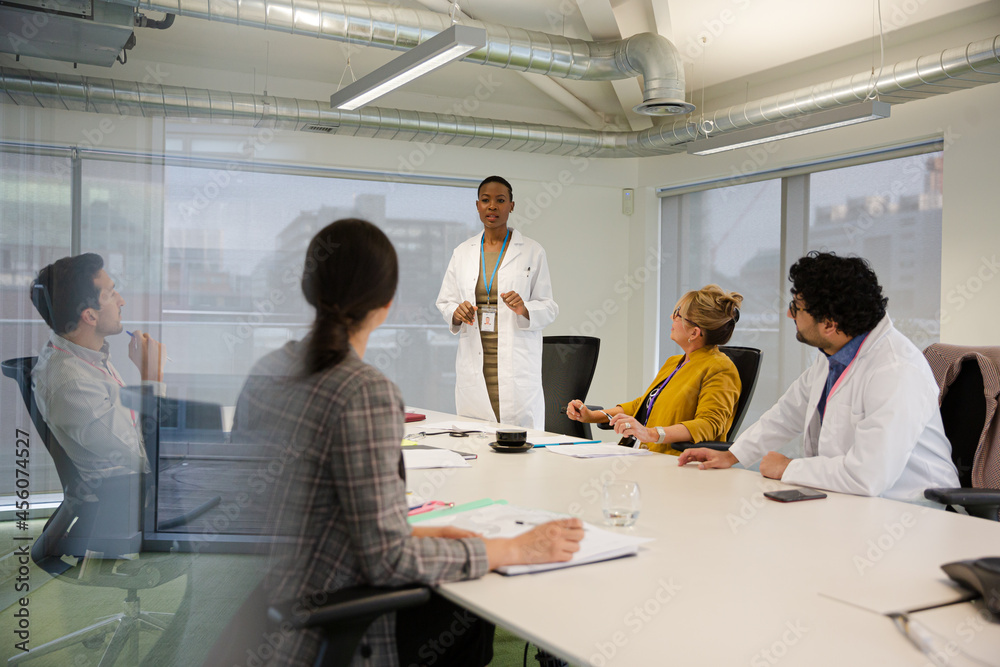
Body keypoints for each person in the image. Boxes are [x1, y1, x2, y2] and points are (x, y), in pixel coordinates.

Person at [234, 219, 583, 667]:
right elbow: (387, 561)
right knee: (468, 603)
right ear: (387, 304)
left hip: (267, 599)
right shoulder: (364, 390)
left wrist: (419, 530)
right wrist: (515, 549)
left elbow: (310, 510)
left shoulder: (267, 369)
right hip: (330, 615)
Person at [678, 252, 960, 502]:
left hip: (911, 508)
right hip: (850, 500)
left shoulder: (896, 371)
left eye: (797, 308)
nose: (790, 315)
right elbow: (787, 414)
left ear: (828, 323)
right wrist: (732, 455)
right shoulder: (834, 354)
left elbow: (868, 476)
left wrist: (788, 467)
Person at [30, 253, 166, 485]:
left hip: (139, 483)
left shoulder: (83, 354)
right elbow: (149, 457)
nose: (121, 301)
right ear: (90, 315)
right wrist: (151, 375)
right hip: (131, 495)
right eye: (112, 293)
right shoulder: (73, 385)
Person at [436, 175, 558, 429]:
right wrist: (456, 312)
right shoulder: (462, 252)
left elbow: (549, 306)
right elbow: (445, 301)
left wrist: (524, 308)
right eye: (486, 200)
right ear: (477, 205)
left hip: (517, 369)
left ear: (511, 205)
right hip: (476, 366)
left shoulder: (532, 251)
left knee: (520, 448)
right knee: (477, 444)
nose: (492, 206)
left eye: (500, 200)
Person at [567, 285, 743, 454]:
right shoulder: (675, 362)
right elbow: (643, 404)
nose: (671, 318)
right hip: (644, 455)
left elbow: (709, 424)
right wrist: (591, 415)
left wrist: (651, 434)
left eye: (678, 315)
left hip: (675, 463)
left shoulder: (721, 368)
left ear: (694, 333)